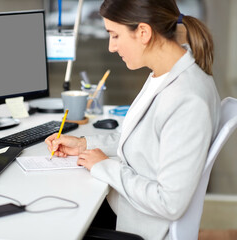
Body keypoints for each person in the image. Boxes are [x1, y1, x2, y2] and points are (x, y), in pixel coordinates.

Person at [45, 0, 221, 239]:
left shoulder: (187, 99)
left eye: (115, 35)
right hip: (129, 207)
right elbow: (141, 137)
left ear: (143, 32)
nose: (111, 47)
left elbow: (169, 202)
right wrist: (85, 144)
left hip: (144, 227)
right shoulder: (165, 74)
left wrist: (105, 166)